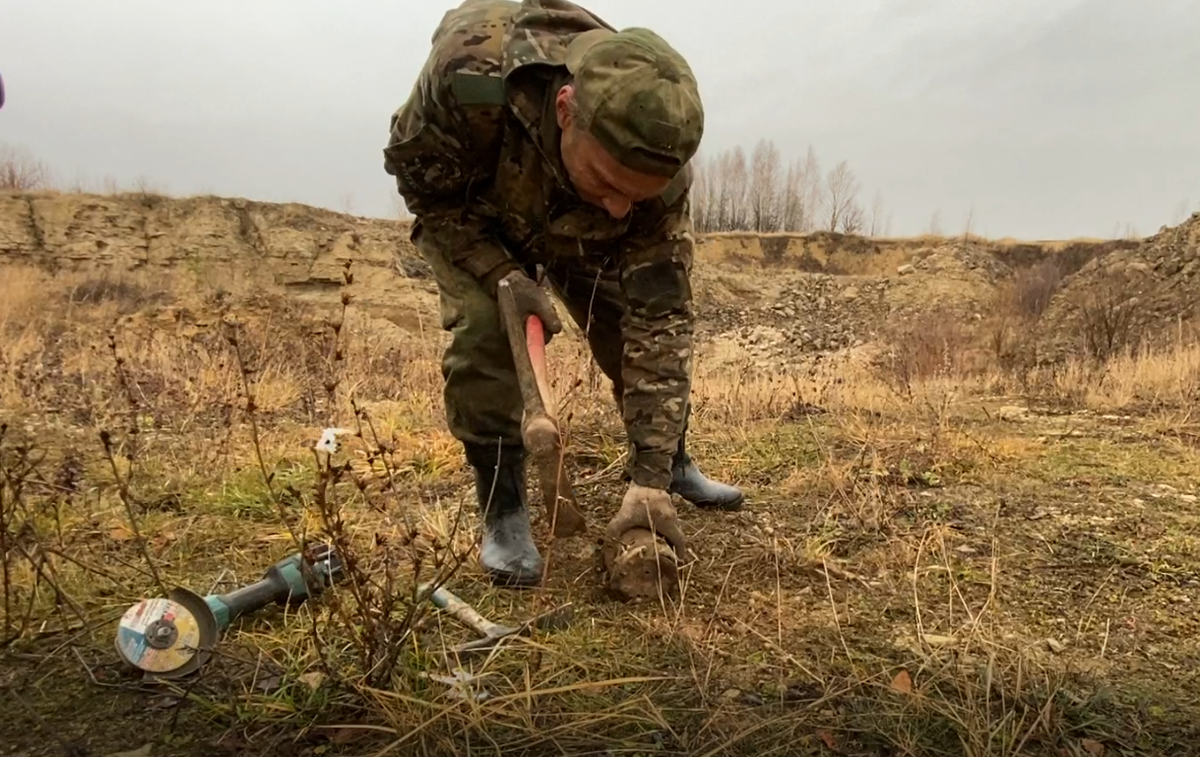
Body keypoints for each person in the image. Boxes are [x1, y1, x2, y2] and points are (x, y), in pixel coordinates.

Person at [383, 0, 744, 588]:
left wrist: (647, 478)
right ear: (565, 109)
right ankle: (503, 506)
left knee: (630, 323)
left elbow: (661, 319)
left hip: (578, 233)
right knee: (484, 331)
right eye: (607, 181)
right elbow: (426, 189)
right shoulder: (469, 76)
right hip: (484, 212)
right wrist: (501, 271)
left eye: (638, 195)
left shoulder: (657, 174)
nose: (621, 205)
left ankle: (669, 464)